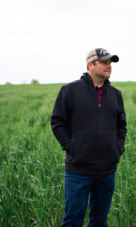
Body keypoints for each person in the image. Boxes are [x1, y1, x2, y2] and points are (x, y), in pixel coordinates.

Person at [50, 48, 127, 227]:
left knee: (100, 221)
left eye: (111, 62)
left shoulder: (116, 95)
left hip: (107, 171)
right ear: (90, 64)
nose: (109, 66)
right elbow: (57, 122)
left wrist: (118, 148)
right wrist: (73, 148)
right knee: (72, 221)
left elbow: (121, 126)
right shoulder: (69, 91)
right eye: (104, 62)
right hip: (78, 171)